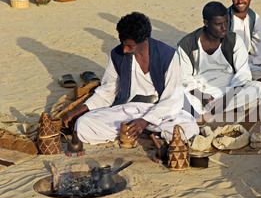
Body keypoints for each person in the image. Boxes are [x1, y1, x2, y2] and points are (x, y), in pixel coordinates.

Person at [63, 12, 199, 145]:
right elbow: (107, 92)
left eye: (130, 46)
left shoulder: (168, 56)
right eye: (123, 44)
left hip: (159, 110)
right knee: (83, 124)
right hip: (127, 109)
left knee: (190, 127)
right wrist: (78, 111)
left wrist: (145, 121)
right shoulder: (117, 55)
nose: (125, 50)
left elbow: (172, 98)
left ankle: (141, 131)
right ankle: (141, 133)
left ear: (145, 40)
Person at [177, 1, 261, 121]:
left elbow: (243, 75)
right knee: (178, 95)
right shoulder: (186, 45)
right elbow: (185, 79)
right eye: (219, 24)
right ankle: (228, 107)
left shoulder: (234, 40)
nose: (224, 28)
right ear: (206, 23)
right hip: (201, 89)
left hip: (228, 87)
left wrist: (225, 99)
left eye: (226, 22)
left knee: (259, 88)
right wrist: (203, 97)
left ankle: (219, 107)